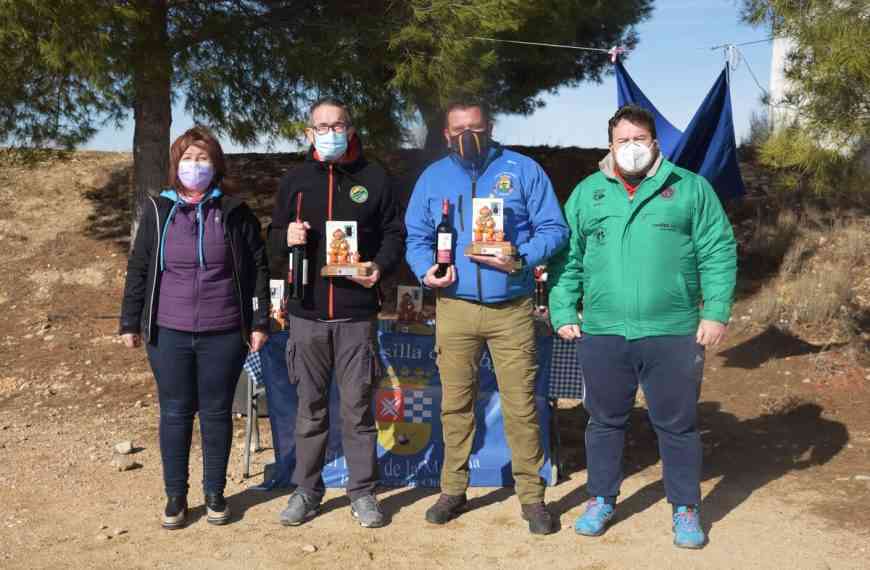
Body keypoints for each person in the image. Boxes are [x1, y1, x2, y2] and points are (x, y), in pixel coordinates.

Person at [548, 104, 737, 549]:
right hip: (603, 331)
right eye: (622, 140)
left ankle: (686, 508)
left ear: (655, 143)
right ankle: (601, 498)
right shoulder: (588, 192)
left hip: (672, 330)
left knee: (677, 424)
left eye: (639, 139)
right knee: (604, 421)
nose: (631, 147)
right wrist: (562, 310)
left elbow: (718, 251)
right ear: (609, 146)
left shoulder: (690, 189)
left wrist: (716, 312)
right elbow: (567, 257)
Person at [404, 100, 568, 535]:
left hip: (511, 309)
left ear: (490, 127)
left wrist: (521, 255)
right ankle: (453, 490)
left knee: (521, 406)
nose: (467, 136)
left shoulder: (524, 169)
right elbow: (416, 236)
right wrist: (426, 270)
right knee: (454, 405)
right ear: (445, 134)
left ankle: (532, 498)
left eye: (475, 128)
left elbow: (555, 229)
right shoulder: (433, 177)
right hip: (454, 307)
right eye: (458, 129)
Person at [119, 126, 270, 529]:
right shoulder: (157, 211)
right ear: (175, 166)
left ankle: (215, 493)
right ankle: (176, 497)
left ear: (216, 165)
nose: (195, 166)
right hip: (167, 331)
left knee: (218, 412)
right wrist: (129, 319)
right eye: (187, 159)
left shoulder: (236, 212)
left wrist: (259, 320)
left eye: (203, 159)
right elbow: (139, 267)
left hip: (224, 331)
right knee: (175, 412)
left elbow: (257, 268)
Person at [269, 98, 404, 528]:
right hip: (307, 315)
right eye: (320, 126)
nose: (329, 132)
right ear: (308, 132)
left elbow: (394, 233)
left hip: (355, 316)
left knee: (358, 410)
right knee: (309, 409)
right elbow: (271, 239)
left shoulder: (375, 177)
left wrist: (379, 267)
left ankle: (363, 492)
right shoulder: (295, 180)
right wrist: (284, 236)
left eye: (337, 124)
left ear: (351, 128)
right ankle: (306, 490)